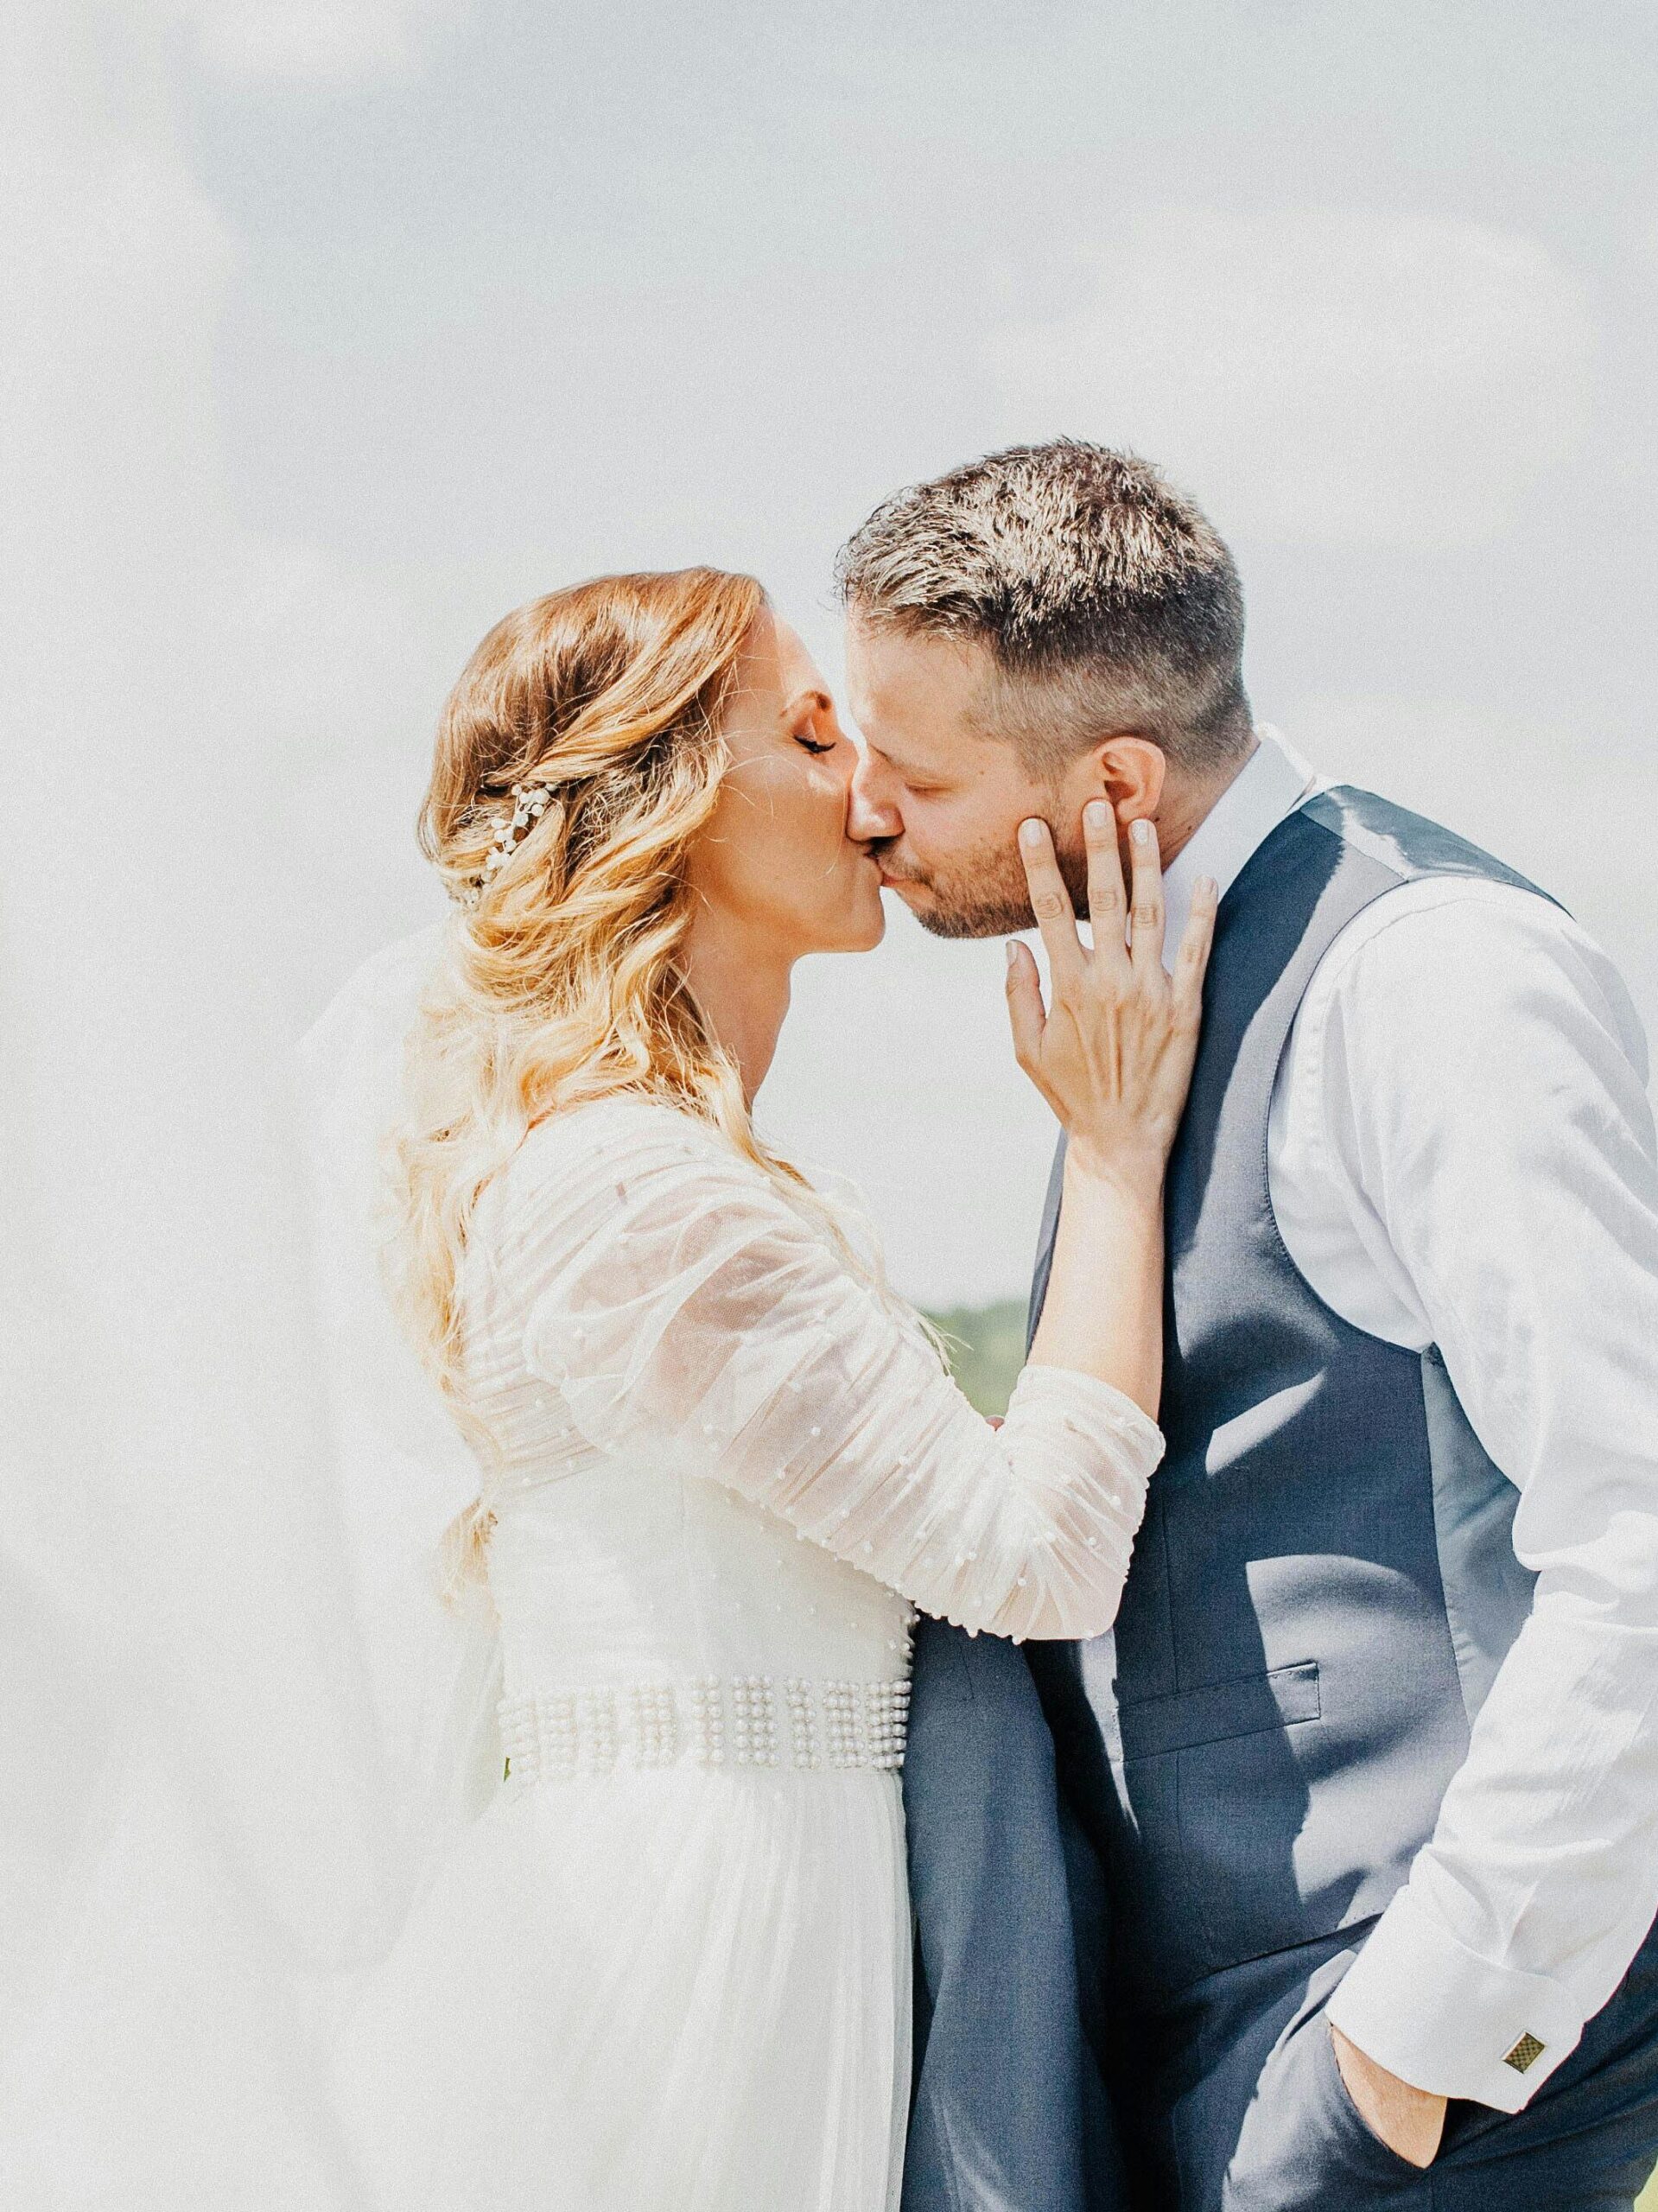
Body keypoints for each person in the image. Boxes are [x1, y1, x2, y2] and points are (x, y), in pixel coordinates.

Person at [326, 565, 1216, 2212]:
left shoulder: (676, 1175)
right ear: (665, 801)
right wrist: (1110, 1150)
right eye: (814, 735)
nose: (872, 790)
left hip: (788, 1896)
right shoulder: (629, 1199)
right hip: (691, 1937)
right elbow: (1039, 1559)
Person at [836, 439, 1658, 2209]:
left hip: (1395, 2063)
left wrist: (1416, 2043)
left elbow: (1644, 1524)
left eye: (916, 769)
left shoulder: (1433, 979)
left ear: (1115, 776)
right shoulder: (1139, 1003)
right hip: (1208, 2054)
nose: (867, 810)